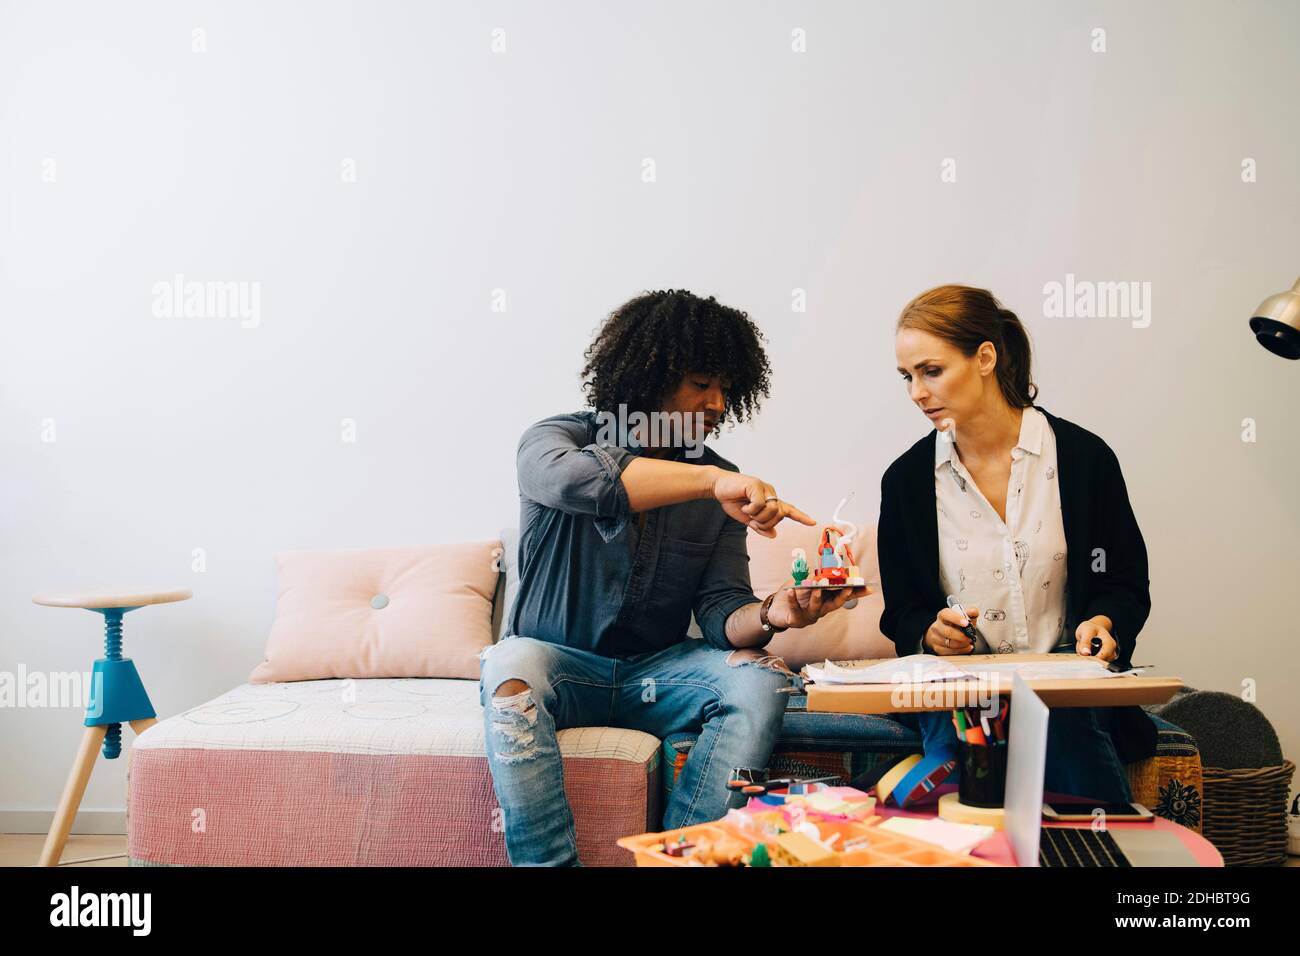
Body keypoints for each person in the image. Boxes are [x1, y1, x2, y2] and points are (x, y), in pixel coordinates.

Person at [481, 288, 868, 865]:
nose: (716, 403)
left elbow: (720, 611)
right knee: (508, 666)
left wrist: (775, 612)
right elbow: (583, 485)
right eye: (699, 383)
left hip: (657, 672)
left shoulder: (721, 479)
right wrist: (712, 486)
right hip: (557, 663)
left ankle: (681, 858)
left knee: (762, 680)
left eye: (725, 390)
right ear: (647, 377)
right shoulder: (556, 441)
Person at [878, 283, 1156, 802]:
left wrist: (1104, 623)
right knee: (965, 736)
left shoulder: (1085, 459)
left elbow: (1123, 583)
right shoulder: (906, 481)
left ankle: (1095, 854)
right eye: (907, 377)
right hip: (959, 693)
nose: (916, 392)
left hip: (1067, 690)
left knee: (1058, 724)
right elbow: (903, 613)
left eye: (931, 371)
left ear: (985, 357)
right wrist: (929, 634)